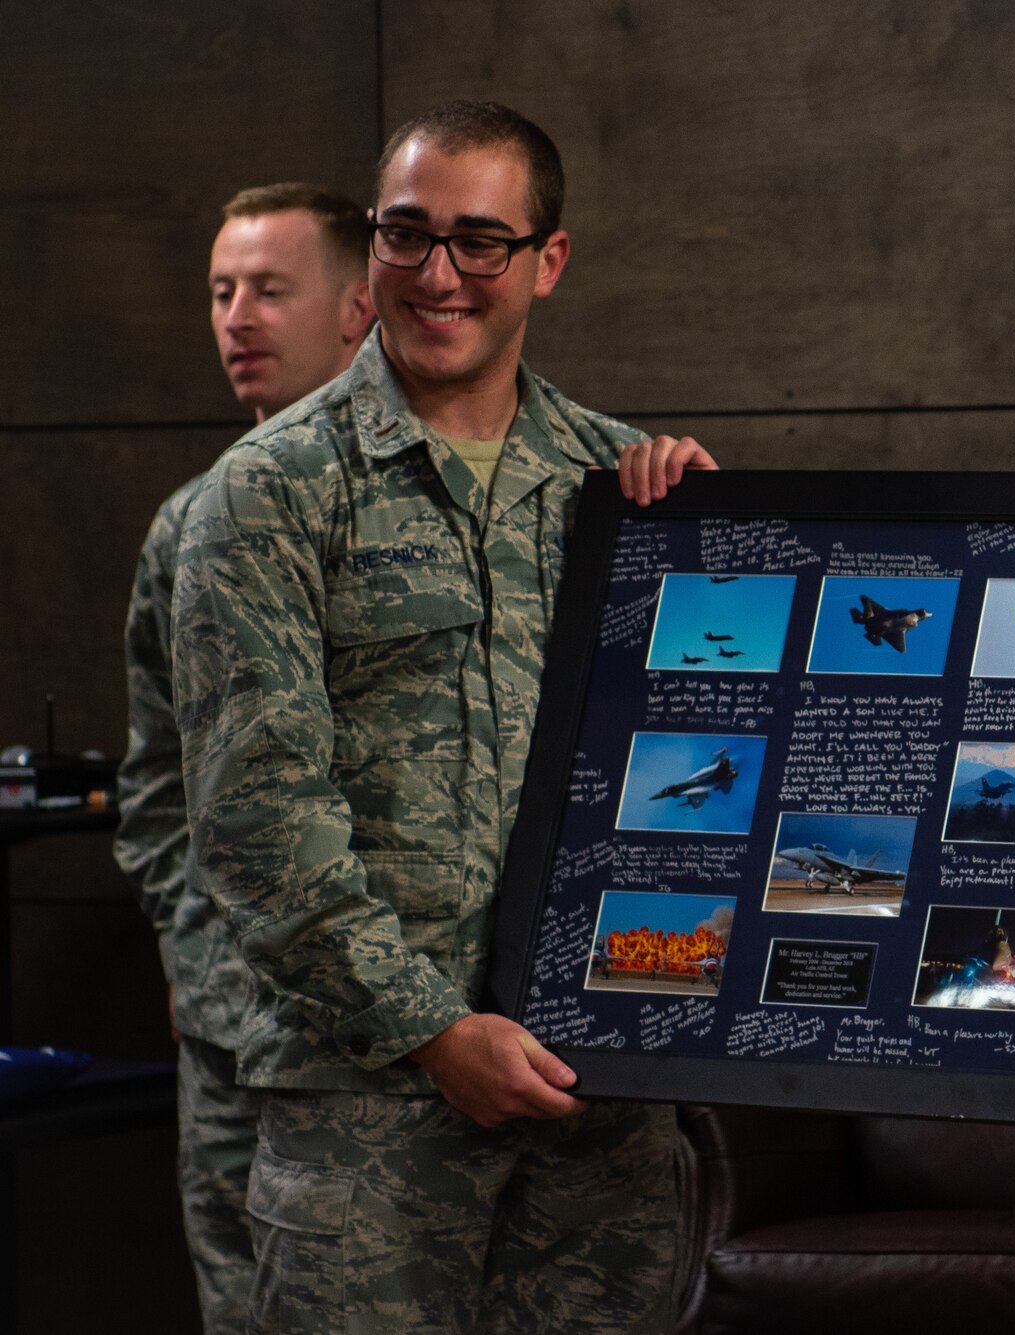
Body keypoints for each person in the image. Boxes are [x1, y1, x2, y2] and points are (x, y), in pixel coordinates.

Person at [170, 101, 711, 1332]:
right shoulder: (264, 497)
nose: (437, 275)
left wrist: (719, 553)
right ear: (372, 249)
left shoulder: (619, 485)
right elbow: (259, 825)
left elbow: (707, 761)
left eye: (480, 241)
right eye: (404, 236)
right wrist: (431, 1033)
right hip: (367, 1110)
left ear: (546, 261)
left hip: (601, 1094)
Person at [114, 181, 373, 1330]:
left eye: (270, 289)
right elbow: (156, 774)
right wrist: (191, 935)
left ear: (359, 306)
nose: (237, 317)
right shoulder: (190, 522)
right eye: (221, 291)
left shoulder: (417, 497)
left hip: (392, 1029)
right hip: (234, 1026)